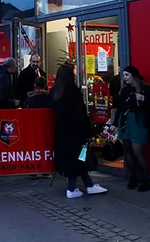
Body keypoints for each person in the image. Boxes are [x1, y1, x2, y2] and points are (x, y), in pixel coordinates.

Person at [52, 63, 107, 199]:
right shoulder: (72, 91)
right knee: (79, 158)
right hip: (76, 131)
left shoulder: (55, 91)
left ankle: (88, 185)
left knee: (76, 158)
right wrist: (88, 130)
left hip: (62, 131)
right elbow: (80, 113)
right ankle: (72, 188)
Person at [111, 66, 150, 192]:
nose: (124, 78)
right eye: (123, 75)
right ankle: (132, 178)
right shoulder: (124, 90)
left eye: (127, 75)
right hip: (125, 122)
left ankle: (146, 180)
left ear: (134, 75)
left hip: (138, 122)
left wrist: (143, 99)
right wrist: (114, 123)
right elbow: (118, 107)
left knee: (137, 151)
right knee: (127, 151)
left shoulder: (147, 89)